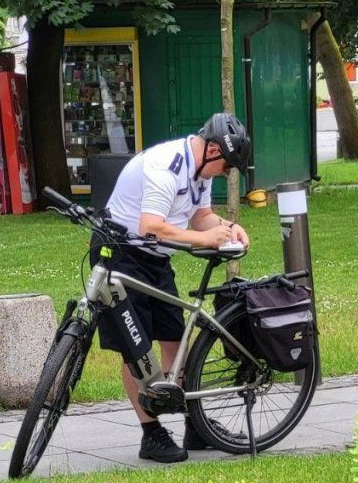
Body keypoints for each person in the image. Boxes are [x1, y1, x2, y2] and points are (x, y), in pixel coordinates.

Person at [91, 112, 252, 463]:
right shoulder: (166, 167)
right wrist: (203, 238)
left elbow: (199, 216)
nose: (227, 173)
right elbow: (151, 226)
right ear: (212, 150)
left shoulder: (200, 169)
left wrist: (228, 226)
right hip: (122, 254)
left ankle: (195, 425)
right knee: (137, 350)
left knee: (177, 343)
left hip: (155, 260)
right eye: (226, 165)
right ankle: (152, 434)